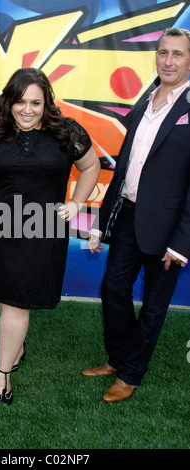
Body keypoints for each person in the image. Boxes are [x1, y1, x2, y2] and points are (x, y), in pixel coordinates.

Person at [0, 68, 100, 405]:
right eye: (20, 102)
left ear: (46, 103)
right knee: (14, 306)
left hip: (43, 232)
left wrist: (77, 203)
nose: (27, 109)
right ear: (9, 102)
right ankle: (3, 370)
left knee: (19, 304)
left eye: (35, 102)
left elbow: (91, 166)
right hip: (0, 229)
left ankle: (13, 347)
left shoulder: (66, 133)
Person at [83, 27, 190, 402]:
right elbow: (124, 167)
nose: (169, 61)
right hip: (128, 215)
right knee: (113, 288)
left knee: (154, 306)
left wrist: (182, 242)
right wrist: (100, 223)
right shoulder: (144, 103)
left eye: (177, 54)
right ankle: (117, 358)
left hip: (169, 228)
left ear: (189, 59)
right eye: (163, 53)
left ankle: (131, 374)